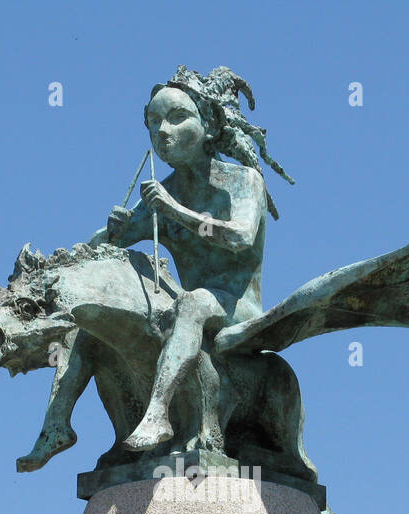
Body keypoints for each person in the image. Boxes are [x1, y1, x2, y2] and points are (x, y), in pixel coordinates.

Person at [90, 65, 294, 452]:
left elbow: (240, 237)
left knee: (193, 301)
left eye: (177, 117)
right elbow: (104, 249)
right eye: (153, 122)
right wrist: (110, 231)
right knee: (96, 315)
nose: (162, 132)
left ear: (211, 126)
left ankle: (158, 414)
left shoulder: (243, 181)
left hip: (239, 308)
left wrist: (175, 212)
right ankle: (57, 425)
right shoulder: (161, 195)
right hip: (191, 312)